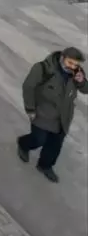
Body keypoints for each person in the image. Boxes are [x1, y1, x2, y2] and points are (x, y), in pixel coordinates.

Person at [17, 45, 87, 182]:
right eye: (69, 63)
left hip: (63, 117)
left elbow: (86, 89)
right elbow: (28, 87)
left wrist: (82, 82)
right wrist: (30, 109)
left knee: (55, 144)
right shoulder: (43, 68)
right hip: (42, 113)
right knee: (38, 139)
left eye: (75, 64)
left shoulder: (77, 72)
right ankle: (23, 144)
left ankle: (45, 166)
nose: (72, 67)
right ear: (62, 58)